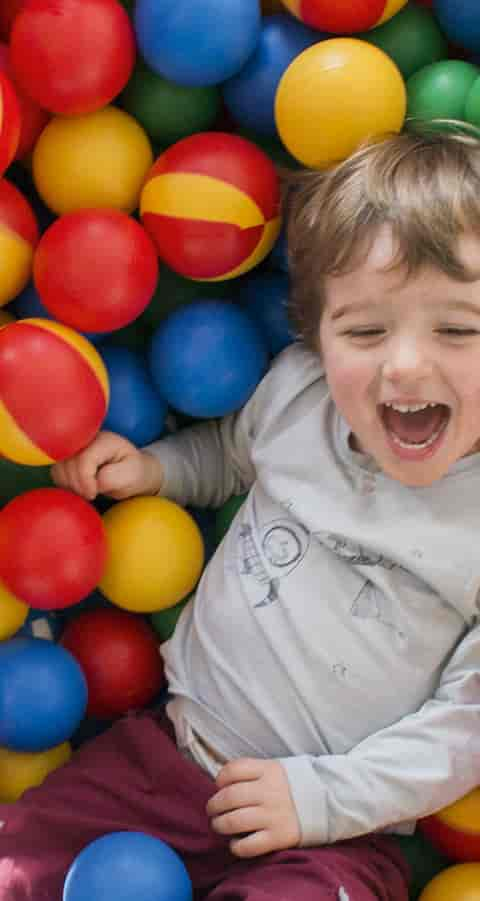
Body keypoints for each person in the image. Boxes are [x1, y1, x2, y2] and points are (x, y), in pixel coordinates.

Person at [3, 123, 480, 901]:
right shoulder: (299, 395)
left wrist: (321, 798)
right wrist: (158, 469)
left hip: (337, 836)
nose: (403, 365)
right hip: (167, 758)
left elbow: (465, 730)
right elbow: (231, 451)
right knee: (21, 858)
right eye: (364, 330)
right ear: (318, 338)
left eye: (458, 329)